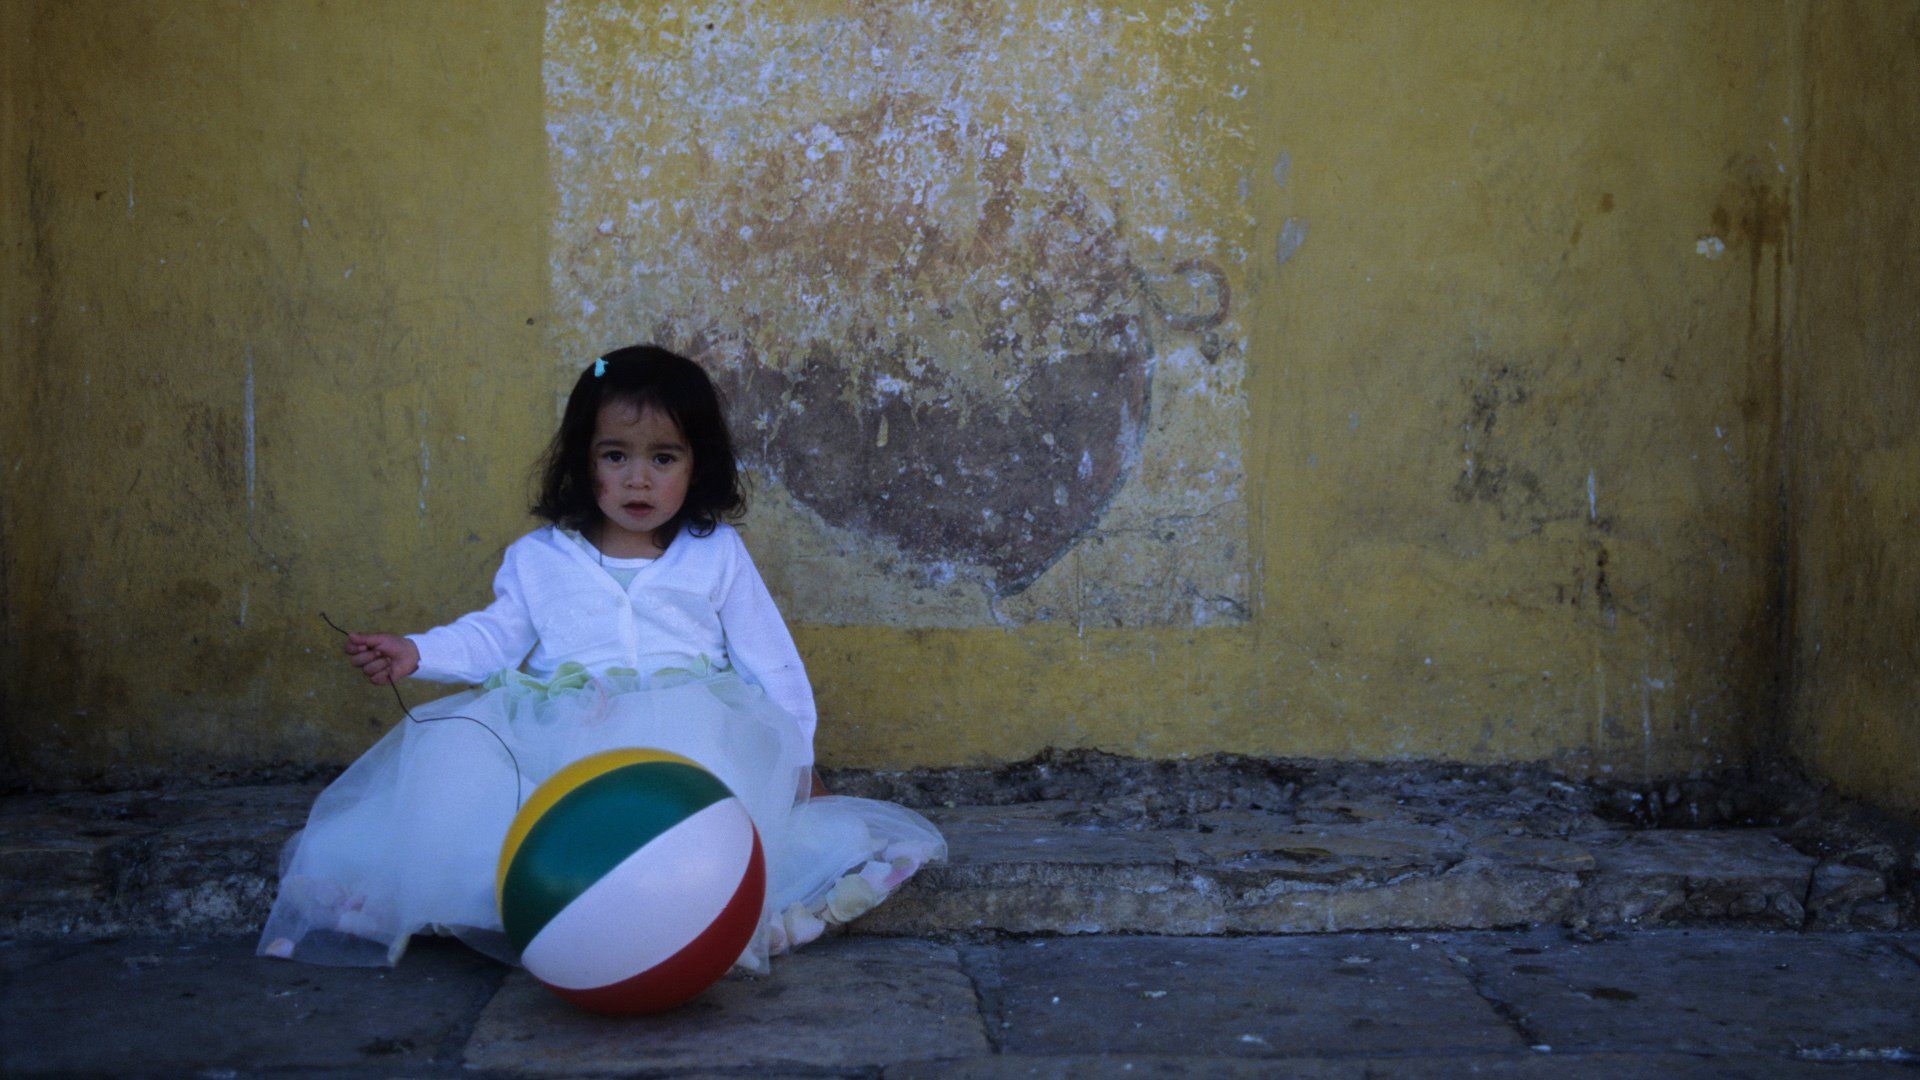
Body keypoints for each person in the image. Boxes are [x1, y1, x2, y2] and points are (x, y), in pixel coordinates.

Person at [258, 345, 945, 972]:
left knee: (700, 837)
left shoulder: (714, 554)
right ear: (582, 461)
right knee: (479, 805)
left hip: (692, 732)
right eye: (615, 456)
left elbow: (774, 664)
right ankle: (468, 902)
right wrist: (418, 652)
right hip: (560, 735)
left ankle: (728, 915)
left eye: (664, 458)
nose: (637, 480)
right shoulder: (538, 559)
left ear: (698, 463)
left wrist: (796, 760)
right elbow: (493, 637)